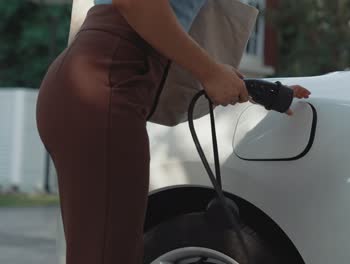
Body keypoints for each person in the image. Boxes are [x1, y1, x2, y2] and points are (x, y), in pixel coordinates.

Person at [35, 1, 310, 264]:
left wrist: (226, 78)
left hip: (98, 78)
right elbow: (135, 3)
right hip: (106, 81)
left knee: (103, 252)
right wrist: (209, 72)